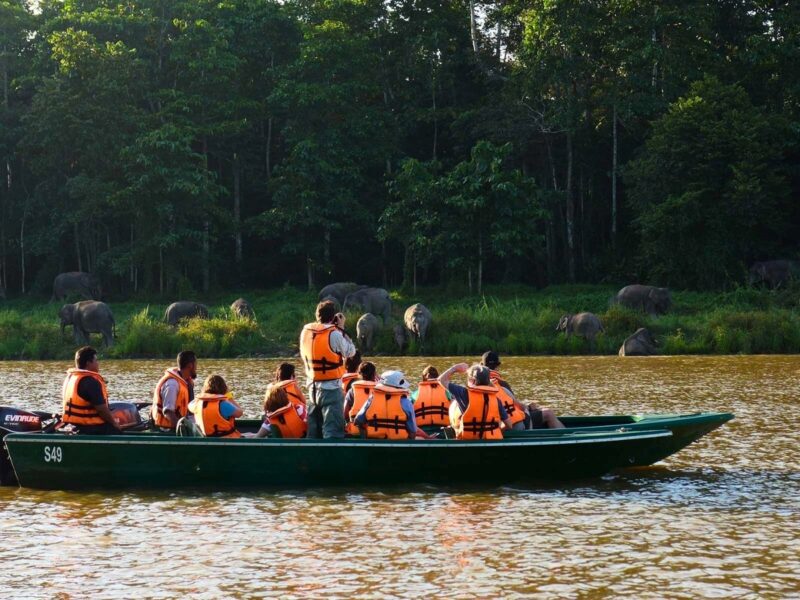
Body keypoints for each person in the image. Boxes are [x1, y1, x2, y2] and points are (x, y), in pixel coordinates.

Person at [299, 301, 356, 439]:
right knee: (333, 431)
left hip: (312, 388)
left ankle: (312, 457)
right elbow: (351, 352)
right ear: (333, 317)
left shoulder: (305, 331)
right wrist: (341, 328)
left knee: (314, 431)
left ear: (317, 315)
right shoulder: (335, 334)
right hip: (331, 389)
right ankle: (331, 458)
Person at [481, 350, 564, 429]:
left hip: (494, 424)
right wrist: (529, 407)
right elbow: (518, 407)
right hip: (514, 424)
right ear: (497, 366)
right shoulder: (501, 384)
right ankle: (565, 436)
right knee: (549, 413)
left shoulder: (478, 382)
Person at [438, 363, 513, 439]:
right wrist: (497, 431)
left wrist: (455, 368)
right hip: (490, 441)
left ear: (472, 380)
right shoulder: (496, 400)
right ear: (488, 381)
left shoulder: (463, 393)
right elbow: (509, 425)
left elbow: (441, 380)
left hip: (468, 441)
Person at [61, 346, 122, 435]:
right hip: (91, 429)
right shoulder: (91, 382)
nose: (98, 363)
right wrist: (114, 423)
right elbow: (101, 410)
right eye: (96, 360)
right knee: (117, 430)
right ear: (88, 363)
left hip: (73, 426)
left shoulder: (72, 378)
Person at [354, 370, 431, 439]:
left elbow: (358, 421)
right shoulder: (406, 402)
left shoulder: (372, 399)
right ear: (399, 386)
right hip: (400, 443)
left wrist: (365, 437)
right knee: (420, 439)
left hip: (375, 441)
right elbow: (413, 431)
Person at [151, 350, 197, 431]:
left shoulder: (186, 382)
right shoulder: (172, 385)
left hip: (178, 426)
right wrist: (183, 429)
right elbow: (168, 412)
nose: (197, 367)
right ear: (190, 366)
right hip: (166, 430)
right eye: (196, 364)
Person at [343, 361, 377, 435]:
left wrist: (348, 423)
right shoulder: (379, 391)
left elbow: (345, 413)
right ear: (374, 375)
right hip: (376, 430)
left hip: (356, 429)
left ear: (359, 374)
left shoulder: (352, 390)